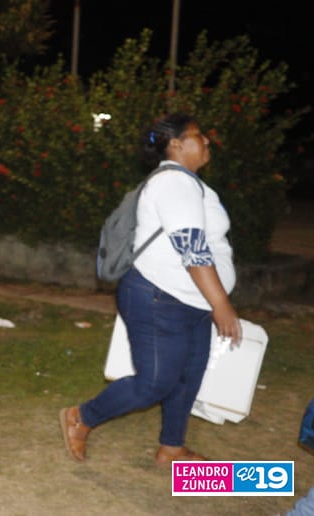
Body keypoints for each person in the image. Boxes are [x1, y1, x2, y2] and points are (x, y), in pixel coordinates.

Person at [60, 113, 243, 465]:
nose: (206, 140)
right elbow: (192, 248)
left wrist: (212, 300)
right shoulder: (173, 183)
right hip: (159, 297)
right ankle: (81, 417)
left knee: (188, 376)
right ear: (176, 144)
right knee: (154, 383)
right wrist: (221, 303)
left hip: (192, 300)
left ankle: (172, 447)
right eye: (198, 135)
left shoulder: (190, 183)